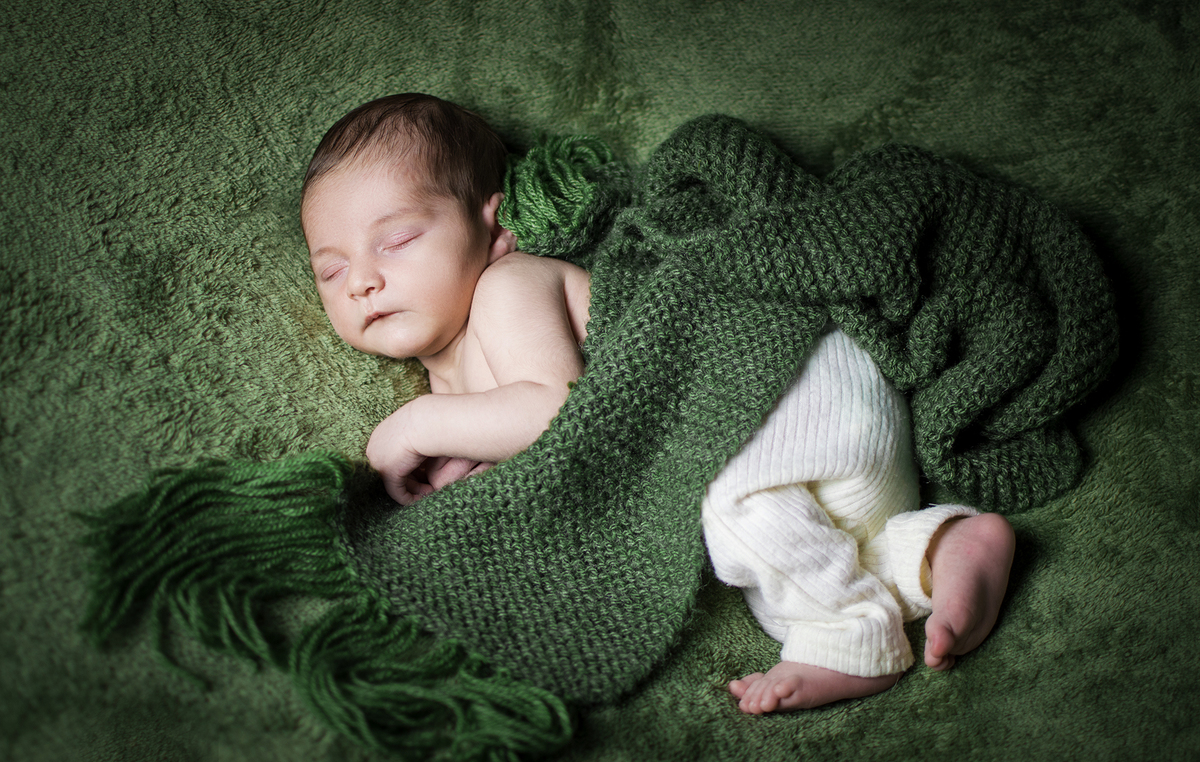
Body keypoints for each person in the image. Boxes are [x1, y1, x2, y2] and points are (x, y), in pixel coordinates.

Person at [298, 93, 1016, 714]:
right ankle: (942, 550)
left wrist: (416, 426)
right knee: (800, 545)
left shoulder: (507, 287)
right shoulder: (454, 377)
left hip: (763, 367)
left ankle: (852, 635)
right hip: (821, 429)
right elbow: (557, 458)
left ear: (491, 228)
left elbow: (551, 410)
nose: (362, 279)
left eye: (395, 240)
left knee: (734, 517)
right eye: (331, 270)